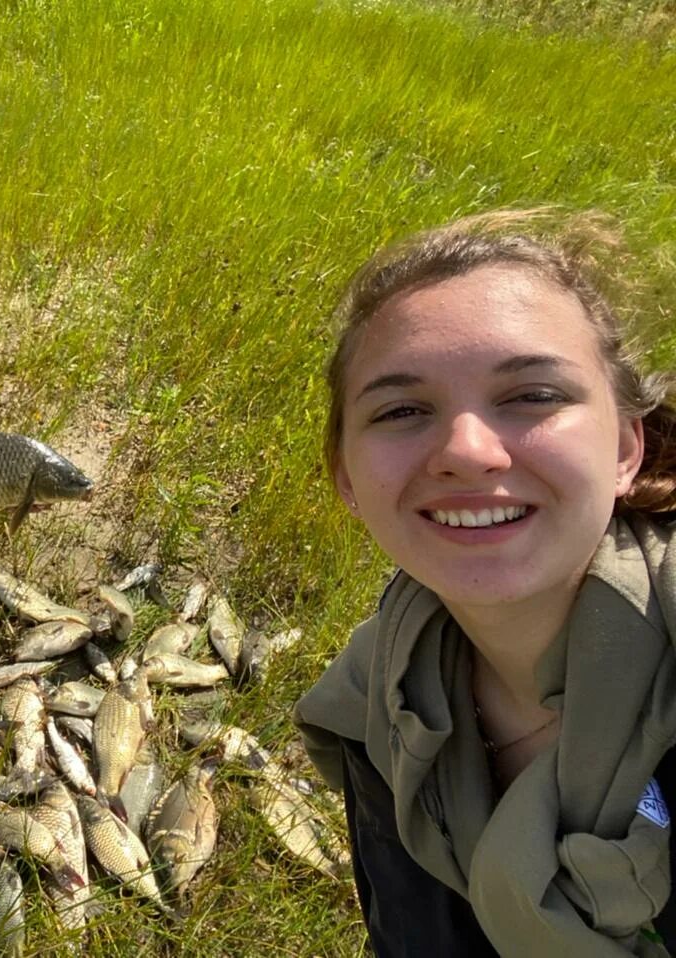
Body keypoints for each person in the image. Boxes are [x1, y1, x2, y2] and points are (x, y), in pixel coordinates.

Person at [293, 209, 676, 956]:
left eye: (533, 395)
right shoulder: (382, 700)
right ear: (346, 478)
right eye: (402, 410)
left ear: (628, 446)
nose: (468, 452)